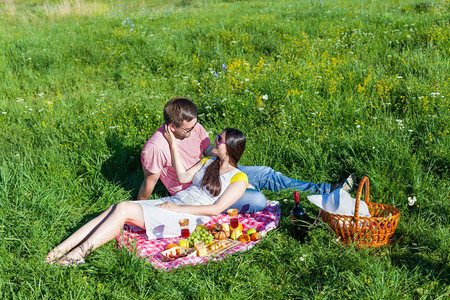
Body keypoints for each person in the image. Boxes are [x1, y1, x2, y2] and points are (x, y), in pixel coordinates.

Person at [46, 128, 251, 265]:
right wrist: (172, 144)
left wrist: (176, 209)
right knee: (116, 206)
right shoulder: (208, 161)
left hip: (188, 218)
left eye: (220, 139)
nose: (215, 140)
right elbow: (182, 176)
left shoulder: (238, 178)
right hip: (174, 203)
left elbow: (215, 210)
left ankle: (78, 254)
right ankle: (59, 250)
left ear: (231, 147)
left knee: (124, 210)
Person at [138, 97, 354, 212]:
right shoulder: (155, 147)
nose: (195, 131)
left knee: (267, 173)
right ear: (172, 127)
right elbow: (149, 185)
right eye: (188, 130)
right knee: (257, 198)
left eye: (195, 126)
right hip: (199, 189)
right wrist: (141, 207)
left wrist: (225, 160)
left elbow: (206, 152)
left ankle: (327, 189)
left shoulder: (194, 126)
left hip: (214, 169)